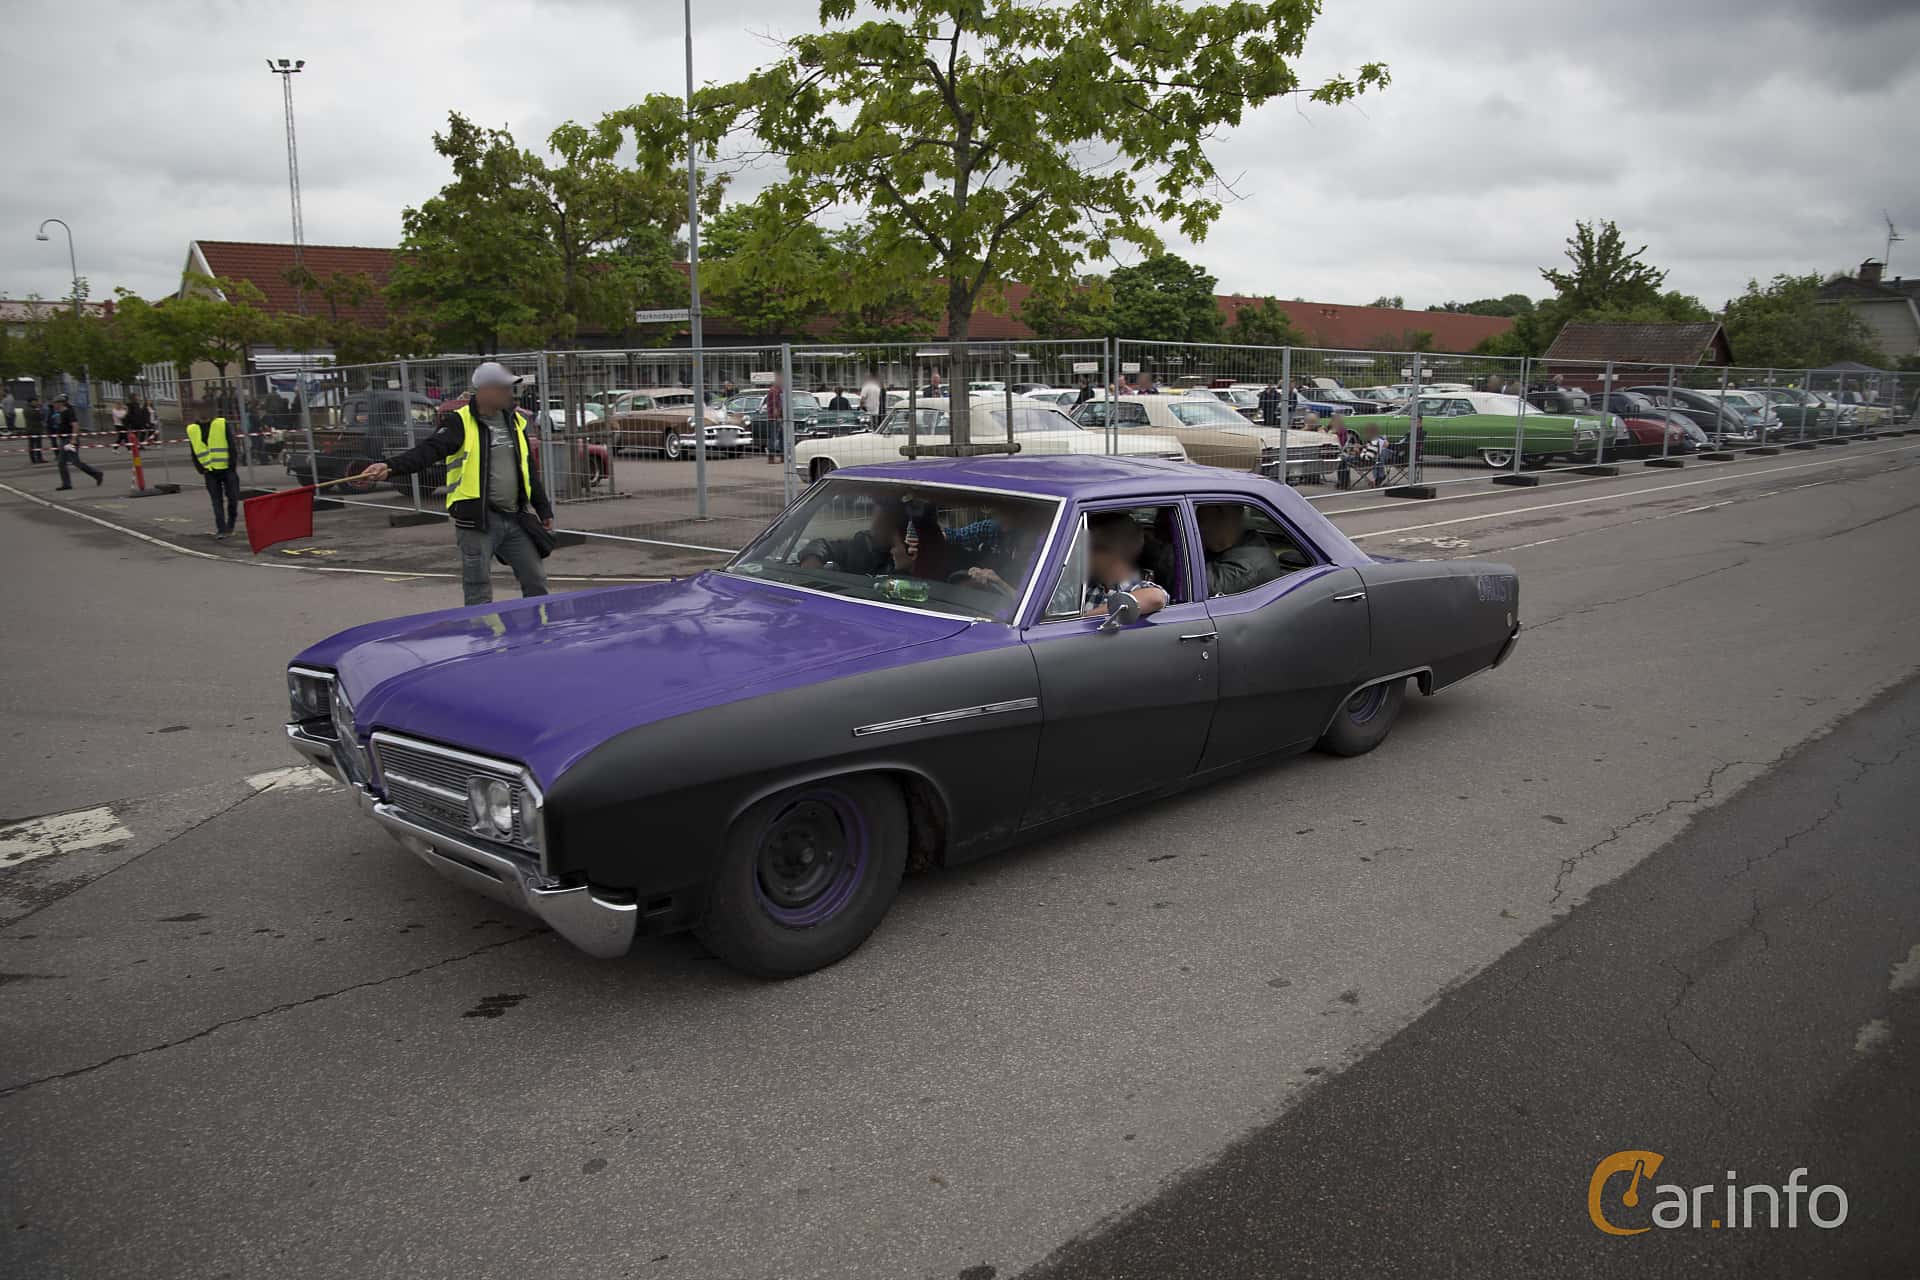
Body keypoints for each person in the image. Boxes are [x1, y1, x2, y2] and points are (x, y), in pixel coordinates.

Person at [357, 362, 554, 606]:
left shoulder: (516, 422)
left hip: (515, 517)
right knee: (477, 585)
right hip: (477, 520)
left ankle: (540, 632)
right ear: (486, 389)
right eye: (504, 388)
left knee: (535, 578)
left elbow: (527, 471)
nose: (509, 394)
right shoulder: (459, 422)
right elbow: (428, 451)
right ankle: (481, 635)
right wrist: (389, 467)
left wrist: (543, 508)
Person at [1083, 512, 1168, 619]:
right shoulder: (1088, 588)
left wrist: (1084, 618)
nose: (1085, 555)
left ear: (1113, 553)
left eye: (1092, 548)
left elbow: (1156, 598)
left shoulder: (1136, 588)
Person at [1194, 503, 1281, 596]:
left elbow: (1188, 583)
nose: (1196, 531)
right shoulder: (1243, 538)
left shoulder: (1242, 571)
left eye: (1200, 524)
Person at [186, 411, 240, 537]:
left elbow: (231, 445)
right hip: (209, 471)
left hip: (227, 469)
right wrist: (200, 468)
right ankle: (221, 529)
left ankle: (230, 524)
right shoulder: (192, 429)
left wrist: (232, 465)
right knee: (217, 501)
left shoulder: (220, 424)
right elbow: (194, 450)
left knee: (233, 498)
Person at [53, 395, 103, 489]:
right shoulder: (59, 413)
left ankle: (96, 473)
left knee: (75, 461)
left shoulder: (68, 412)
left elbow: (75, 426)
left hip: (69, 440)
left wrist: (73, 439)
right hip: (63, 440)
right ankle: (66, 484)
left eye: (55, 403)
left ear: (61, 403)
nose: (54, 405)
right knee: (61, 462)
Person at [25, 396, 46, 464]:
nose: (37, 403)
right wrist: (39, 409)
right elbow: (41, 417)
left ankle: (34, 459)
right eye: (35, 401)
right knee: (37, 445)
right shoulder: (32, 410)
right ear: (31, 402)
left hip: (30, 429)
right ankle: (38, 459)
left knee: (32, 445)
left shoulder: (26, 409)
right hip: (35, 429)